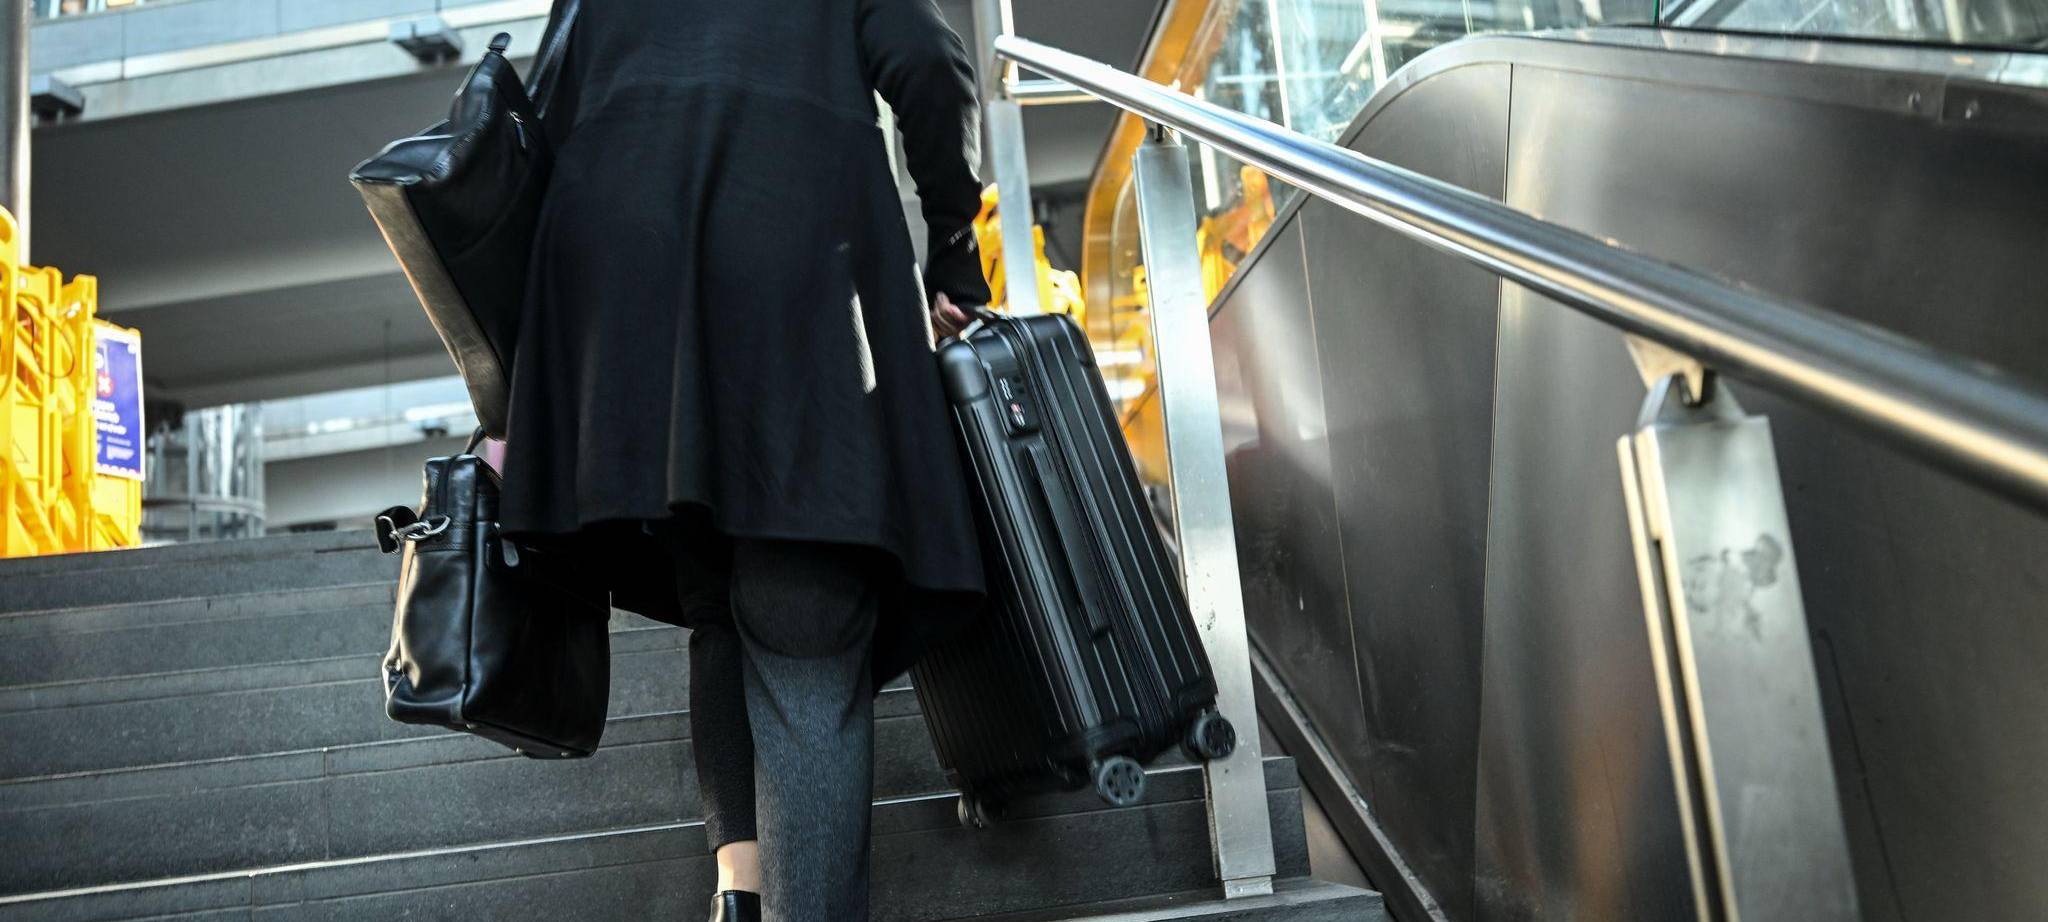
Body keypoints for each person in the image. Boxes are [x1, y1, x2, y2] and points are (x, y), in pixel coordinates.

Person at [496, 1, 993, 920]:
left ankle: (742, 895)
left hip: (621, 278)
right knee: (802, 606)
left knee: (716, 586)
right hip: (787, 249)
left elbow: (539, 119)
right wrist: (953, 246)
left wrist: (520, 395)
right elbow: (927, 61)